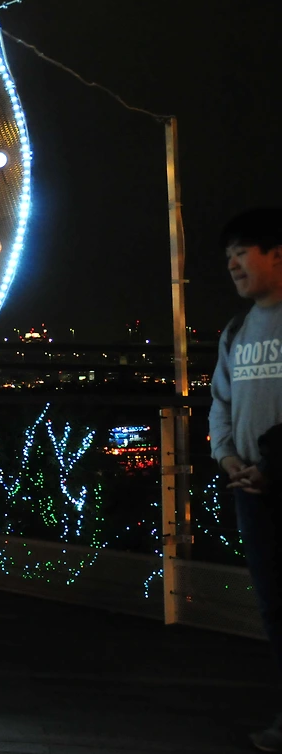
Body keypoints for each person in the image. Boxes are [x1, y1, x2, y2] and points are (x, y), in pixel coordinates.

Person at [209, 208, 282, 752]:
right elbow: (221, 403)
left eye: (242, 252)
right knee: (274, 607)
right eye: (229, 256)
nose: (232, 264)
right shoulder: (235, 331)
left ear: (277, 254)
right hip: (251, 494)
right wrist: (229, 458)